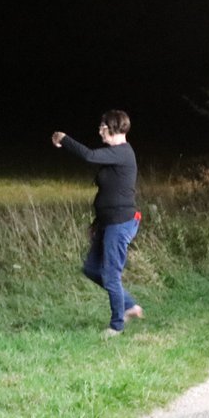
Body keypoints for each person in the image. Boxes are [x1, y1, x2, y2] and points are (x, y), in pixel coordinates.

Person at [52, 110, 142, 338]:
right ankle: (130, 305)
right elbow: (111, 191)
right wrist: (97, 222)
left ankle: (116, 326)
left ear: (112, 127)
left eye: (102, 126)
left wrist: (63, 138)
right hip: (107, 223)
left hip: (120, 223)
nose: (99, 130)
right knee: (91, 269)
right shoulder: (114, 154)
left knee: (111, 275)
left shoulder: (123, 152)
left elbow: (89, 155)